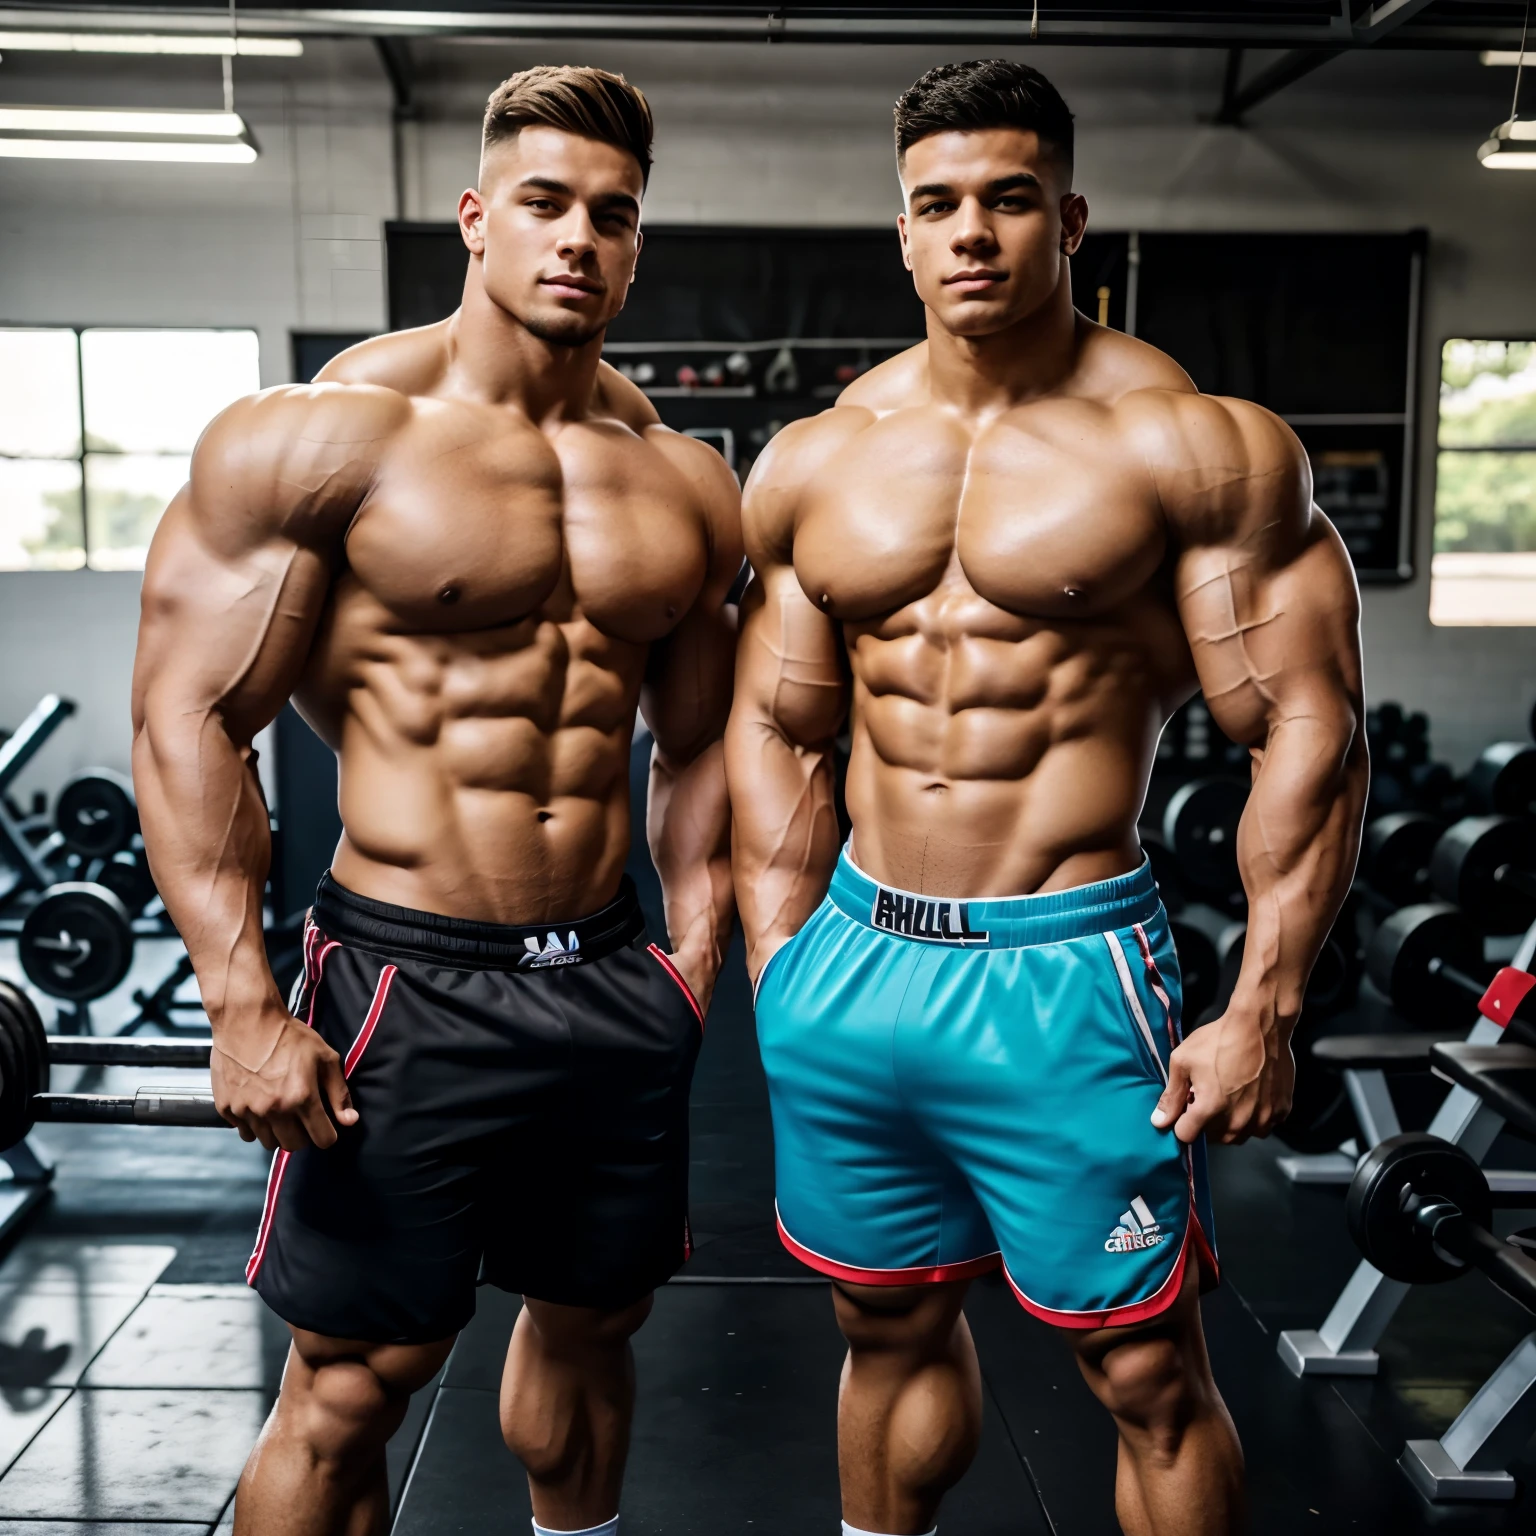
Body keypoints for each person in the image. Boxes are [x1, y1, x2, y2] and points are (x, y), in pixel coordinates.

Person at [725, 58, 1367, 1536]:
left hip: (1065, 967)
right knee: (879, 1330)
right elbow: (780, 723)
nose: (971, 233)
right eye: (936, 204)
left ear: (1067, 217)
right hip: (855, 963)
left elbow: (1306, 730)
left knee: (1143, 1367)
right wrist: (781, 948)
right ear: (899, 231)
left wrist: (1263, 1006)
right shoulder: (822, 460)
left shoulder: (1188, 442)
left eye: (1008, 199)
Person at [131, 65, 740, 1536]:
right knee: (353, 1382)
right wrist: (241, 1005)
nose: (577, 240)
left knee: (595, 1328)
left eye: (613, 214)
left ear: (638, 242)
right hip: (408, 975)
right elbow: (190, 716)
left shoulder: (681, 482)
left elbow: (708, 745)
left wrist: (697, 961)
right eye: (544, 205)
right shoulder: (328, 437)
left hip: (606, 977)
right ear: (478, 219)